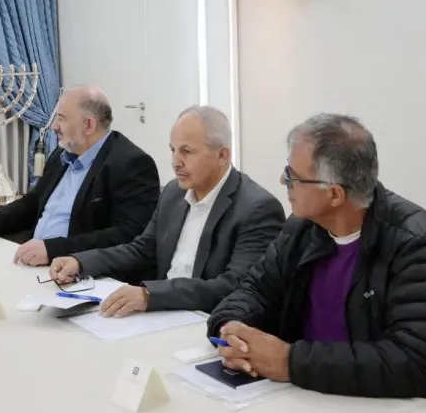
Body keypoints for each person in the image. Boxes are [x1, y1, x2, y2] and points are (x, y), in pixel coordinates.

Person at [205, 113, 426, 408]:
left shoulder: (416, 244)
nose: (283, 180)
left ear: (334, 194)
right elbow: (254, 290)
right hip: (311, 400)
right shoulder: (302, 229)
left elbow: (415, 362)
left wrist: (289, 362)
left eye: (292, 175)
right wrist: (232, 329)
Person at [48, 106, 285, 316]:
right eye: (172, 150)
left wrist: (151, 295)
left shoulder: (258, 208)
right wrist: (81, 262)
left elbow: (234, 286)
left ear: (222, 155)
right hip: (163, 314)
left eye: (187, 152)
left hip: (207, 322)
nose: (175, 162)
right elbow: (142, 250)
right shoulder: (174, 192)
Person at [0, 86, 160, 266]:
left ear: (88, 125)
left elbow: (128, 236)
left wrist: (54, 249)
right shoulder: (63, 153)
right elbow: (32, 203)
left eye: (61, 118)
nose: (54, 126)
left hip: (80, 273)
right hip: (32, 261)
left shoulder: (132, 164)